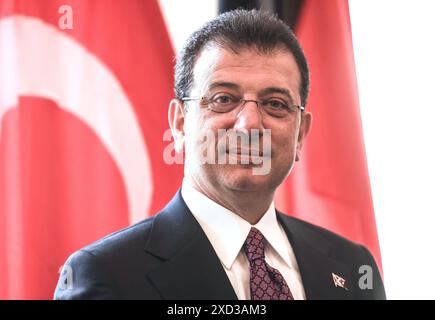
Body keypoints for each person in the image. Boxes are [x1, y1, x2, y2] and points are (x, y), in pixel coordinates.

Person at [54, 9, 386, 300]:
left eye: (275, 104)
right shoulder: (107, 275)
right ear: (180, 123)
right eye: (223, 99)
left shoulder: (353, 267)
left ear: (300, 134)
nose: (249, 124)